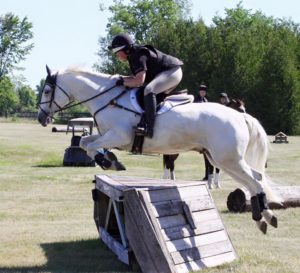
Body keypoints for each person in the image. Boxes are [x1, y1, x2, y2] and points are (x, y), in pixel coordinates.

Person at [108, 33, 183, 138]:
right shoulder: (133, 56)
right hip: (166, 72)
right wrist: (120, 79)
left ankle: (149, 128)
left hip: (172, 71)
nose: (117, 56)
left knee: (149, 89)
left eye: (117, 52)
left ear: (126, 50)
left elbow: (139, 81)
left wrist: (123, 82)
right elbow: (135, 78)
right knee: (147, 90)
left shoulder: (138, 55)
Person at [194, 84, 212, 181]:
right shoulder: (195, 101)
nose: (202, 93)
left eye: (204, 91)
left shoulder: (206, 101)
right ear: (199, 92)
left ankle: (207, 175)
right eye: (201, 91)